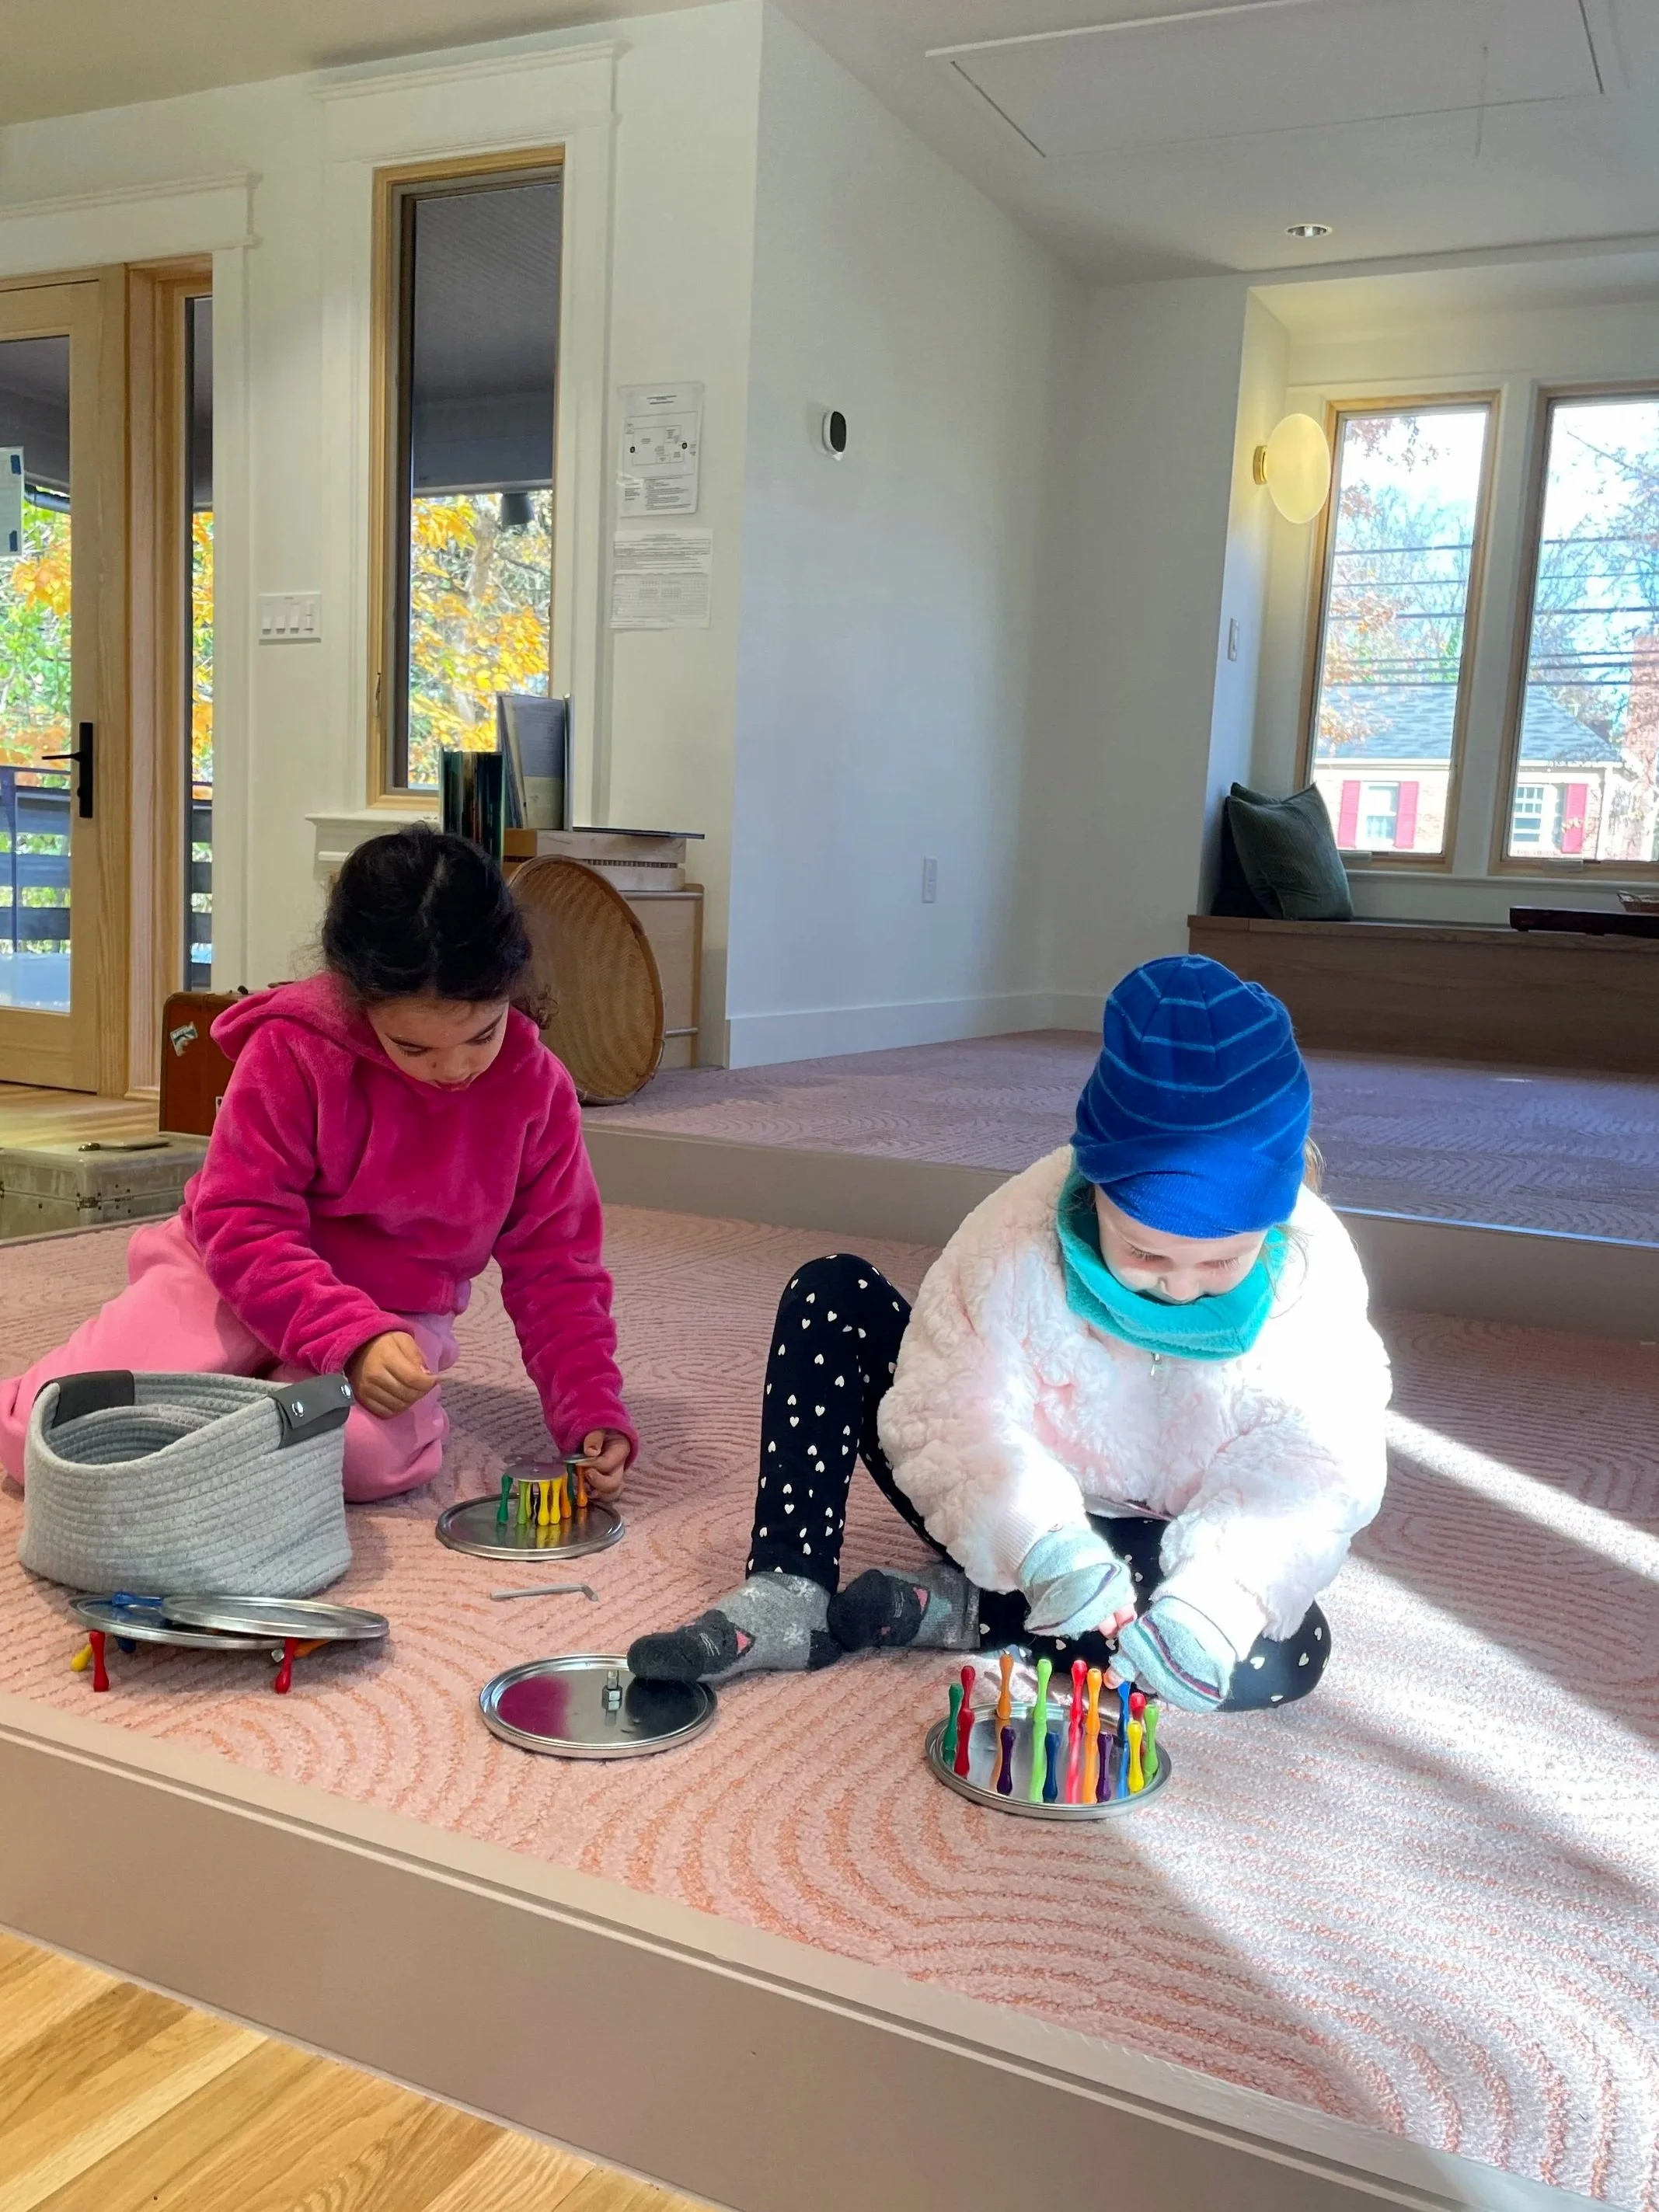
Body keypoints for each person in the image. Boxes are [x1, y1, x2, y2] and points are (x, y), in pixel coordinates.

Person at [630, 956, 1389, 1712]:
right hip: (1004, 1508)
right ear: (1091, 1189)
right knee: (829, 1291)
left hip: (1158, 1543)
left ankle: (965, 1613)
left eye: (1221, 1261)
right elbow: (949, 1405)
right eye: (1144, 1253)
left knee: (1278, 1648)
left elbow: (1310, 1472)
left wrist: (1208, 1606)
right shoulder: (1016, 1235)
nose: (1181, 1285)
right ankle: (788, 1591)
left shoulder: (1308, 1284)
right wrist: (1042, 1546)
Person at [0, 825, 635, 1501]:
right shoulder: (291, 1050)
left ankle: (255, 1394)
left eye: (482, 1034)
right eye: (413, 1048)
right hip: (236, 1277)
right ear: (356, 1001)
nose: (453, 1069)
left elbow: (557, 1267)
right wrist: (345, 1338)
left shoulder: (538, 1088)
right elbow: (240, 1224)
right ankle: (249, 1382)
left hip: (391, 1308)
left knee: (364, 1457)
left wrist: (590, 1407)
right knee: (53, 1431)